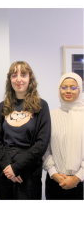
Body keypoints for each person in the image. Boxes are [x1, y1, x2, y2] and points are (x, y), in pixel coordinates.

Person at [0, 61, 51, 200]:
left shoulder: (41, 106)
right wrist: (9, 167)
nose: (18, 79)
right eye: (14, 75)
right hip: (4, 171)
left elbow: (41, 143)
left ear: (30, 78)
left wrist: (17, 167)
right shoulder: (2, 107)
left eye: (23, 74)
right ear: (9, 80)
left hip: (28, 171)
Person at [43, 72, 83, 200]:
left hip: (81, 181)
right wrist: (54, 174)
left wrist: (77, 177)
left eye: (73, 87)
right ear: (59, 90)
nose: (68, 91)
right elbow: (44, 148)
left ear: (80, 89)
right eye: (64, 87)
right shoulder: (50, 116)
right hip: (55, 181)